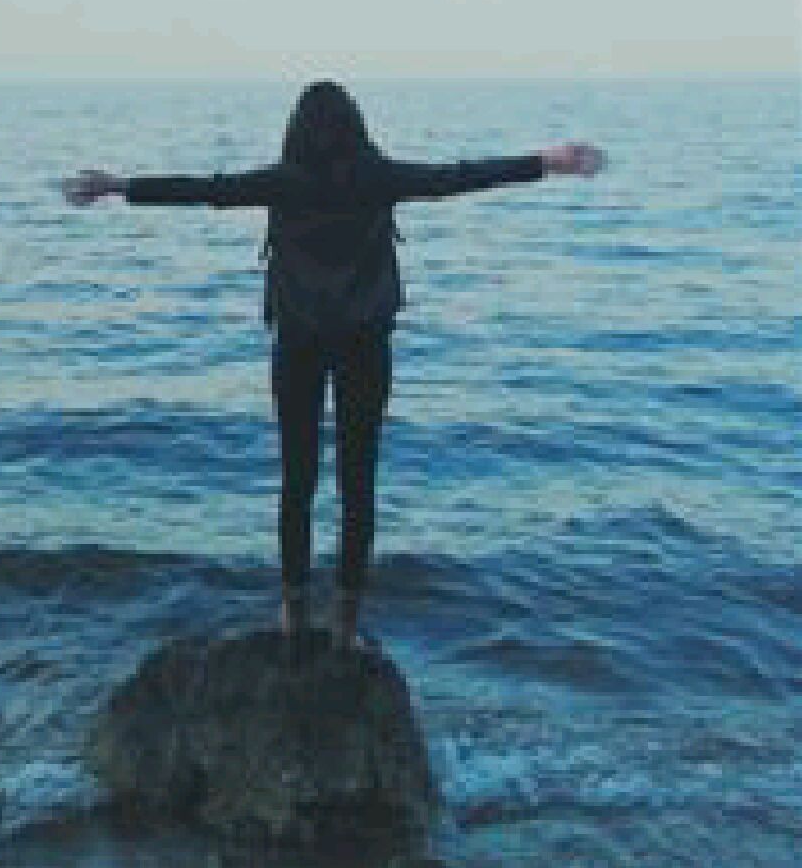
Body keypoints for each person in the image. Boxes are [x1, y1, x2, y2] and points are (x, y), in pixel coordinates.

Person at [62, 79, 606, 651]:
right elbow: (459, 177)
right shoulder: (378, 178)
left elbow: (206, 190)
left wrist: (118, 186)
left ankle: (295, 614)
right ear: (356, 127)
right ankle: (345, 624)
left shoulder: (283, 182)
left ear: (296, 129)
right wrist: (546, 162)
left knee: (297, 480)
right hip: (365, 344)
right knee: (358, 482)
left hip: (298, 342)